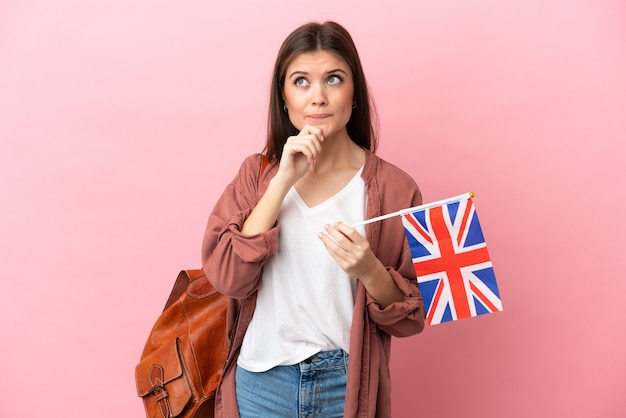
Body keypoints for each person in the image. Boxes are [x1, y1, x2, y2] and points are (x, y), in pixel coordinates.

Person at [202, 21, 425, 418]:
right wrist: (283, 179)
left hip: (346, 386)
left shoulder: (395, 188)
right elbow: (228, 278)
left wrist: (370, 270)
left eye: (333, 79)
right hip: (261, 384)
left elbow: (411, 318)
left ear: (353, 93)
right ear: (283, 97)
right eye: (301, 81)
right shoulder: (256, 176)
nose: (317, 97)